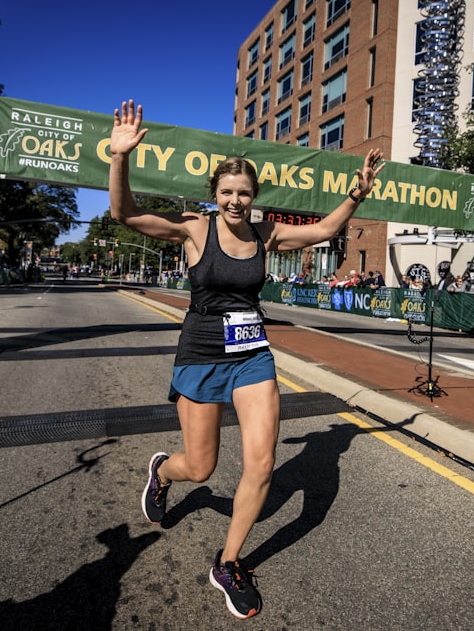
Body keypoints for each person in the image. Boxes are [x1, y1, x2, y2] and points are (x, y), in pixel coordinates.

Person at [108, 99, 384, 620]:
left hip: (252, 355)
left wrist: (356, 194)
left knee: (262, 464)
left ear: (255, 197)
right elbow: (124, 213)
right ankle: (165, 473)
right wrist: (119, 158)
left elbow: (324, 232)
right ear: (214, 195)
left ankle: (229, 562)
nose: (236, 201)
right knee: (203, 465)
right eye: (228, 193)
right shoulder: (193, 229)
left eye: (244, 194)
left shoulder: (265, 234)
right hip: (201, 354)